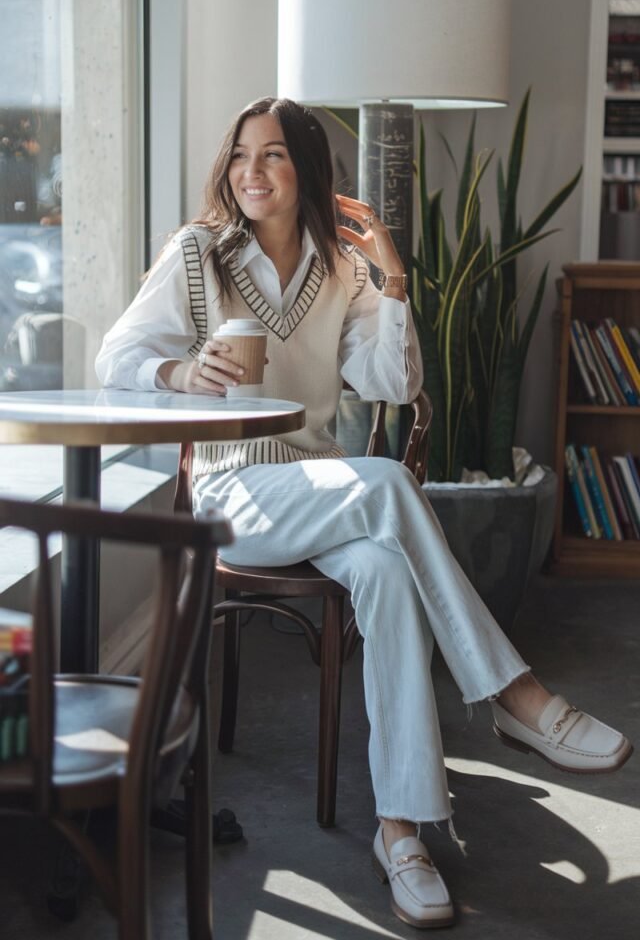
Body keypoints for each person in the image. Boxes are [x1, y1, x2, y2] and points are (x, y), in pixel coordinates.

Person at [96, 97, 632, 930]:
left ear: (307, 169)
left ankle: (402, 833)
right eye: (241, 155)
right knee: (384, 482)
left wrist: (392, 277)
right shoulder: (196, 254)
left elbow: (391, 383)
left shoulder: (339, 270)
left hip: (320, 487)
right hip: (234, 490)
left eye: (272, 155)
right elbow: (116, 357)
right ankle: (514, 696)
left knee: (384, 567)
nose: (251, 172)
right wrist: (178, 375)